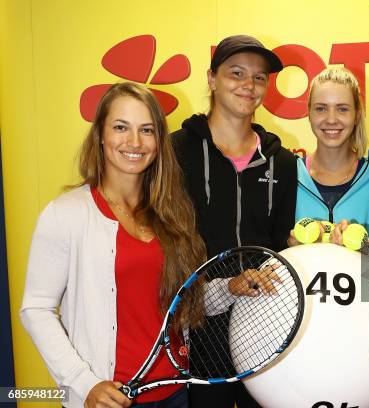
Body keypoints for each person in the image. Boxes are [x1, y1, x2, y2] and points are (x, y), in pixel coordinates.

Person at [20, 82, 265, 408]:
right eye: (121, 127)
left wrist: (228, 289)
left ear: (159, 141)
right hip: (108, 400)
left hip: (174, 392)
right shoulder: (66, 214)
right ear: (101, 135)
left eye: (146, 130)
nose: (134, 142)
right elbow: (35, 309)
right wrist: (84, 383)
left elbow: (181, 299)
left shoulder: (171, 212)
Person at [172, 35, 297, 408]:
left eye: (259, 78)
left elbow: (280, 245)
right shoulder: (175, 151)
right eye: (236, 73)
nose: (249, 85)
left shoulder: (283, 161)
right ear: (212, 79)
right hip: (196, 324)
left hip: (263, 320)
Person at [289, 67, 369, 245]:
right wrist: (289, 249)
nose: (331, 119)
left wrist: (366, 256)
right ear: (309, 113)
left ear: (357, 114)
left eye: (342, 109)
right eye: (321, 109)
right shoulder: (287, 178)